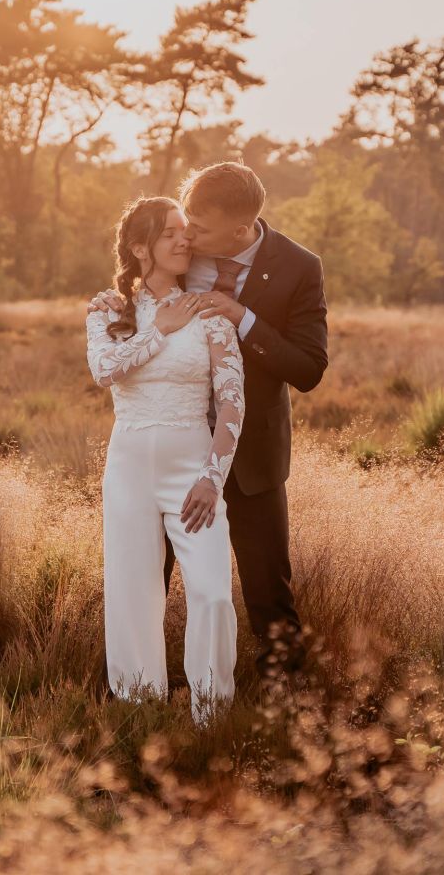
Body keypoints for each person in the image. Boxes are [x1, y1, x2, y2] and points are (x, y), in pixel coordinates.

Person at [90, 162, 328, 683]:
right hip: (164, 448)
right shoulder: (180, 248)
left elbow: (309, 369)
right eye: (183, 225)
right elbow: (141, 276)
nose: (188, 237)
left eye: (198, 228)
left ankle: (284, 705)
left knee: (266, 588)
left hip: (251, 456)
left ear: (240, 230)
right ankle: (128, 695)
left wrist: (242, 318)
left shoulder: (297, 267)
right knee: (145, 577)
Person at [85, 195, 245, 725]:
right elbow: (105, 371)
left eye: (186, 231)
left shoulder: (210, 314)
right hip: (128, 469)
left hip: (192, 472)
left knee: (213, 594)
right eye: (170, 232)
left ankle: (211, 719)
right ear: (139, 247)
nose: (185, 240)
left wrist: (211, 478)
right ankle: (140, 717)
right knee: (133, 596)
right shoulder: (108, 309)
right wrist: (160, 331)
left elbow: (231, 402)